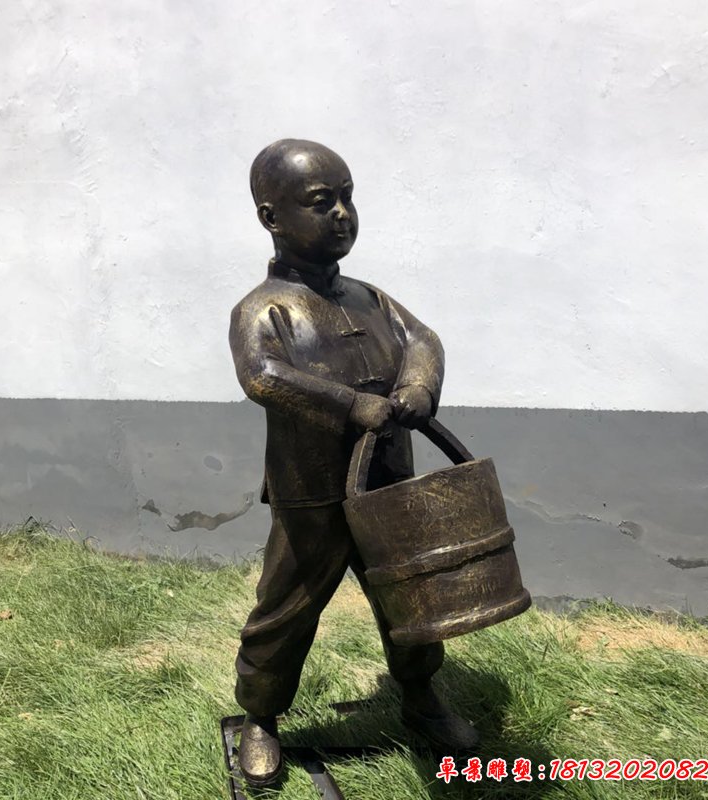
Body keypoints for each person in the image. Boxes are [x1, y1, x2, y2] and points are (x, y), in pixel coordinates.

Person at [229, 139, 479, 787]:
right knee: (285, 609)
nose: (341, 214)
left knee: (410, 597)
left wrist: (418, 385)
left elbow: (423, 339)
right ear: (271, 217)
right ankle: (260, 716)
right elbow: (262, 376)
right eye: (322, 202)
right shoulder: (263, 310)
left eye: (347, 198)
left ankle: (421, 695)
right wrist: (350, 404)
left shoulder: (372, 298)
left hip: (388, 482)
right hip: (310, 493)